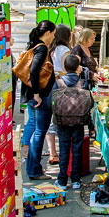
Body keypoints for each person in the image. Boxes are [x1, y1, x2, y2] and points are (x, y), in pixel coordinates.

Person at [24, 20, 56, 180]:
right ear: (48, 32)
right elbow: (34, 70)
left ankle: (33, 167)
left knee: (37, 131)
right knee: (39, 132)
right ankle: (34, 170)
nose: (54, 37)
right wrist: (36, 93)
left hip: (35, 96)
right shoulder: (42, 47)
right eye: (53, 33)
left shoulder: (33, 45)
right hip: (40, 97)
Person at [54, 55, 88, 190]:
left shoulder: (58, 81)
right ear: (78, 68)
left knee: (64, 149)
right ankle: (76, 180)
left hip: (62, 120)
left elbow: (53, 99)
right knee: (77, 149)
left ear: (64, 67)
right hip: (79, 119)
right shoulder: (82, 82)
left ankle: (62, 180)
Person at [44, 24, 74, 166]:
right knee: (61, 119)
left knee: (51, 119)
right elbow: (65, 69)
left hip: (51, 85)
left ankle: (52, 152)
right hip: (61, 86)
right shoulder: (65, 50)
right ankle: (63, 154)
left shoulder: (52, 49)